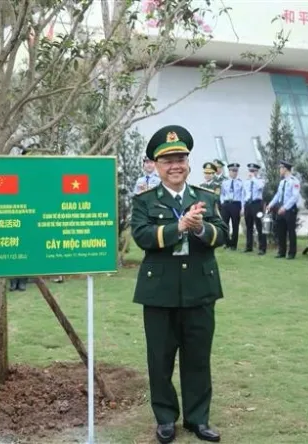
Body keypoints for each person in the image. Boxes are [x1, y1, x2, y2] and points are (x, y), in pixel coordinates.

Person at [131, 125, 227, 444]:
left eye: (181, 158)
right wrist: (178, 226)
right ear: (157, 166)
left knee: (198, 357)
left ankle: (198, 419)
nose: (175, 165)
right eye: (167, 159)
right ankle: (165, 418)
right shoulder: (145, 201)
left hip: (200, 290)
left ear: (188, 162)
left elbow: (222, 235)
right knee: (159, 359)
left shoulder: (206, 198)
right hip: (159, 293)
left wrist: (199, 228)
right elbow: (142, 236)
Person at [266, 160, 300, 259]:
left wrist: (285, 208)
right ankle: (282, 251)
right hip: (280, 208)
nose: (279, 170)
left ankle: (292, 253)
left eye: (281, 168)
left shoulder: (294, 181)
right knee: (280, 231)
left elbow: (295, 197)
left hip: (289, 209)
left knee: (291, 231)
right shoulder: (282, 182)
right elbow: (278, 195)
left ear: (285, 169)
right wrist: (270, 204)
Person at [242, 163, 266, 254]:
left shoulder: (260, 180)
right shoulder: (246, 181)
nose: (251, 172)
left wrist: (253, 178)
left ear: (257, 171)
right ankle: (249, 246)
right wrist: (243, 205)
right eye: (250, 171)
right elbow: (244, 193)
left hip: (257, 204)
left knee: (259, 226)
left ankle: (262, 248)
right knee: (249, 226)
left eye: (253, 171)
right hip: (248, 204)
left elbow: (260, 187)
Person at [220, 163, 242, 250]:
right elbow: (222, 194)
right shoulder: (225, 182)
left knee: (235, 224)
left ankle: (233, 245)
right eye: (232, 171)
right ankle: (226, 242)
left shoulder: (240, 183)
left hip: (236, 204)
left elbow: (242, 196)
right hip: (226, 204)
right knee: (225, 224)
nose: (234, 172)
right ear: (229, 171)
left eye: (236, 171)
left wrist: (242, 207)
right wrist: (222, 202)